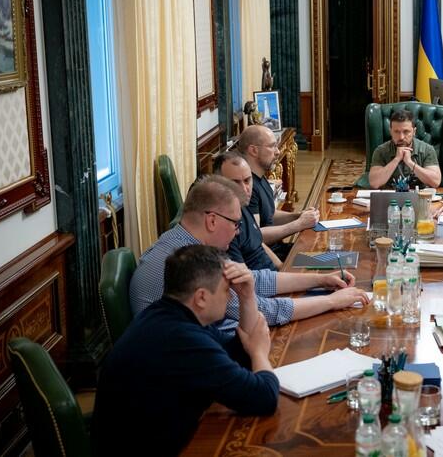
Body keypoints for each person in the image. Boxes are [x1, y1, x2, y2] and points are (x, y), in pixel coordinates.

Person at [93, 245, 279, 456]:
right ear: (201, 297)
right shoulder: (182, 339)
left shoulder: (169, 314)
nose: (230, 297)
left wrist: (247, 296)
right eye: (227, 290)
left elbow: (236, 355)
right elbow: (264, 398)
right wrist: (259, 353)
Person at [129, 175, 368, 331]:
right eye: (235, 223)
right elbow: (263, 309)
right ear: (212, 221)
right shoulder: (190, 264)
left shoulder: (183, 241)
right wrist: (332, 301)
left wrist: (320, 279)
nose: (238, 232)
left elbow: (253, 280)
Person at [238, 125, 320, 261]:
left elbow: (269, 215)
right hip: (268, 259)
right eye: (272, 146)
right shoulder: (247, 187)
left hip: (279, 249)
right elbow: (256, 235)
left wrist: (298, 216)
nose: (277, 152)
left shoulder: (260, 176)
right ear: (253, 150)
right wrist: (299, 224)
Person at [213, 151, 281, 271]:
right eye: (235, 183)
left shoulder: (243, 205)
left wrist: (282, 267)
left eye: (247, 180)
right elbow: (245, 276)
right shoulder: (225, 227)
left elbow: (259, 243)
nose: (245, 189)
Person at [368, 109, 442, 189]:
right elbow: (374, 183)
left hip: (419, 195)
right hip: (390, 195)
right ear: (390, 132)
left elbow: (435, 182)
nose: (401, 137)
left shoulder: (427, 149)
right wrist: (396, 159)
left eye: (406, 132)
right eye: (396, 132)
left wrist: (410, 162)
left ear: (414, 132)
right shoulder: (380, 151)